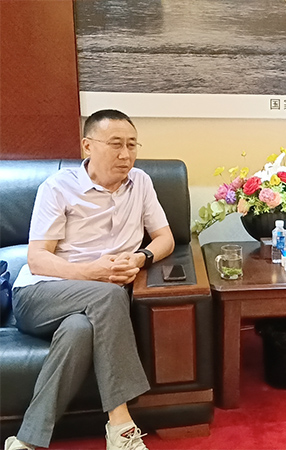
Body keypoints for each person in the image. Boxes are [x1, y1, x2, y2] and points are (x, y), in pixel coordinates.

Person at [4, 109, 175, 450]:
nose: (125, 154)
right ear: (87, 146)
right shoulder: (58, 187)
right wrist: (92, 273)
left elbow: (166, 239)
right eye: (115, 144)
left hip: (92, 306)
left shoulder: (141, 182)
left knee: (79, 330)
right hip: (40, 294)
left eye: (132, 145)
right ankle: (121, 424)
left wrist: (140, 258)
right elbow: (37, 258)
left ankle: (26, 440)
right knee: (109, 294)